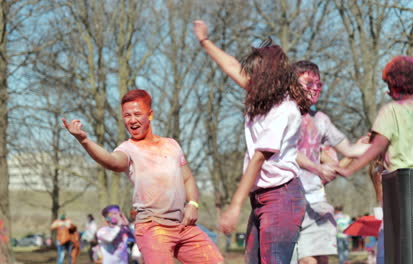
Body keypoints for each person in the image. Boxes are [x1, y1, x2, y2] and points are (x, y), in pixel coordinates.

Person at [194, 20, 310, 263]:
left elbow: (258, 158)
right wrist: (204, 41)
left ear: (269, 77)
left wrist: (235, 206)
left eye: (254, 76)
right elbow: (232, 66)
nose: (248, 80)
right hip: (261, 198)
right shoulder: (262, 96)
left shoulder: (283, 110)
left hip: (282, 197)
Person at [62, 89, 223, 264]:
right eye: (127, 115)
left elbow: (188, 179)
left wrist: (193, 203)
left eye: (137, 114)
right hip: (153, 227)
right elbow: (111, 161)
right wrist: (84, 141)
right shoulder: (128, 149)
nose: (132, 120)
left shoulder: (171, 145)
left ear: (150, 115)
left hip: (184, 225)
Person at [337, 55, 413, 264]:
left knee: (394, 253)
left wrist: (349, 169)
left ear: (396, 84)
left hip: (399, 194)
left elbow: (377, 146)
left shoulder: (391, 111)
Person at [291, 60, 370, 264]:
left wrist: (377, 144)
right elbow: (285, 152)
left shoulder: (321, 120)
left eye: (318, 84)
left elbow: (350, 149)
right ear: (291, 85)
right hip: (285, 202)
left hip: (316, 203)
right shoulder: (282, 115)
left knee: (317, 261)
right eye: (308, 84)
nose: (314, 89)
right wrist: (317, 167)